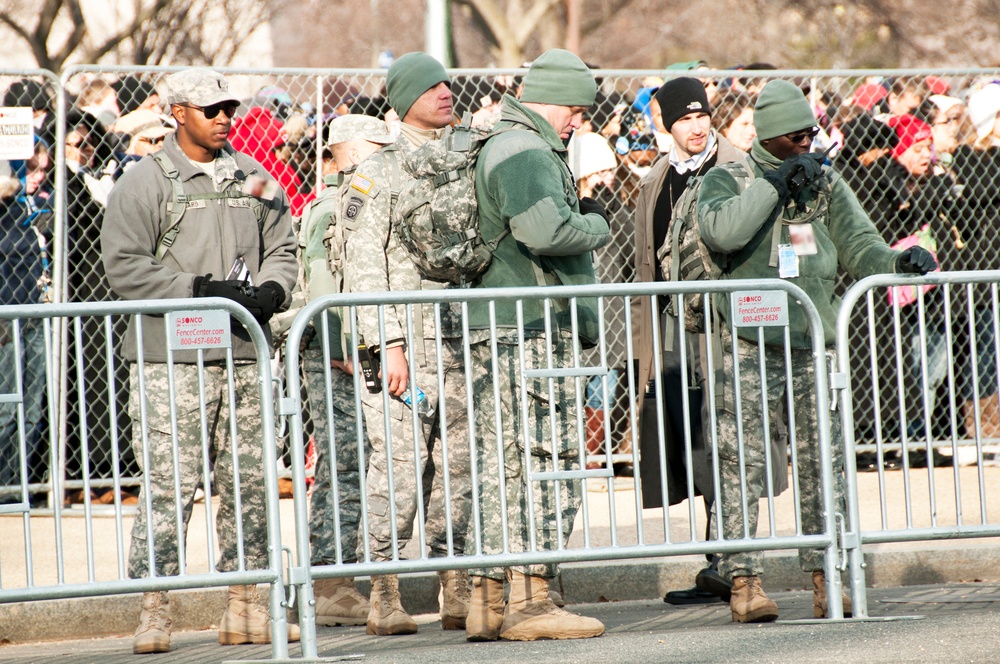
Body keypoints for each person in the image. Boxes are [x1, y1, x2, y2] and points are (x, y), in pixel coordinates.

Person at [696, 79, 937, 623]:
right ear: (773, 135)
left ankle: (827, 574)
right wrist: (774, 187)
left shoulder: (825, 182)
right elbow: (723, 234)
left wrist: (898, 262)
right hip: (751, 339)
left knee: (823, 463)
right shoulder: (728, 176)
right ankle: (744, 580)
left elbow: (859, 244)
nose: (808, 143)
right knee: (743, 463)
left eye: (812, 134)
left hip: (814, 340)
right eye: (797, 136)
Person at [100, 67, 299, 654]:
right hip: (172, 360)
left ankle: (248, 604)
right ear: (177, 112)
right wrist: (199, 288)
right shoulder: (144, 183)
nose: (222, 118)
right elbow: (125, 267)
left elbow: (283, 245)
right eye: (209, 109)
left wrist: (272, 290)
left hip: (243, 354)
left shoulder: (253, 176)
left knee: (251, 481)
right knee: (170, 485)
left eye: (228, 108)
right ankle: (154, 609)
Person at [465, 48, 609, 643]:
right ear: (548, 100)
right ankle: (532, 599)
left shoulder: (509, 141)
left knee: (507, 467)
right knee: (546, 463)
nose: (578, 122)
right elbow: (545, 231)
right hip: (530, 329)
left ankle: (491, 598)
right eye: (575, 110)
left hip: (508, 325)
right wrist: (599, 221)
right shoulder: (524, 150)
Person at [341, 52, 472, 636]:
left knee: (458, 466)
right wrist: (386, 343)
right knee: (398, 467)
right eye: (430, 85)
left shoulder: (468, 160)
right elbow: (364, 268)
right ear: (403, 100)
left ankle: (459, 583)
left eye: (447, 82)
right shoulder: (378, 173)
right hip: (401, 344)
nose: (445, 91)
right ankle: (385, 590)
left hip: (459, 338)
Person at [630, 76, 746, 606]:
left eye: (702, 116)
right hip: (676, 331)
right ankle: (717, 560)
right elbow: (646, 265)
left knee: (729, 442)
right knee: (691, 445)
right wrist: (646, 348)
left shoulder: (737, 167)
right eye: (685, 119)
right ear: (667, 124)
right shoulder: (657, 178)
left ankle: (737, 565)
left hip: (727, 329)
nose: (697, 127)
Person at [299, 115, 393, 627]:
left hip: (361, 349)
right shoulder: (334, 205)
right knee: (345, 463)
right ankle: (331, 582)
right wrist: (344, 347)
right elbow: (322, 283)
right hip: (339, 354)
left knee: (363, 461)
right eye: (379, 146)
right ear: (354, 151)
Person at [0, 139, 53, 506]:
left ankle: (19, 488)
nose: (38, 177)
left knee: (32, 410)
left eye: (44, 170)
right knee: (5, 407)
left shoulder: (40, 206)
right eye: (31, 169)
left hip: (37, 315)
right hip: (6, 317)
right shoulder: (5, 206)